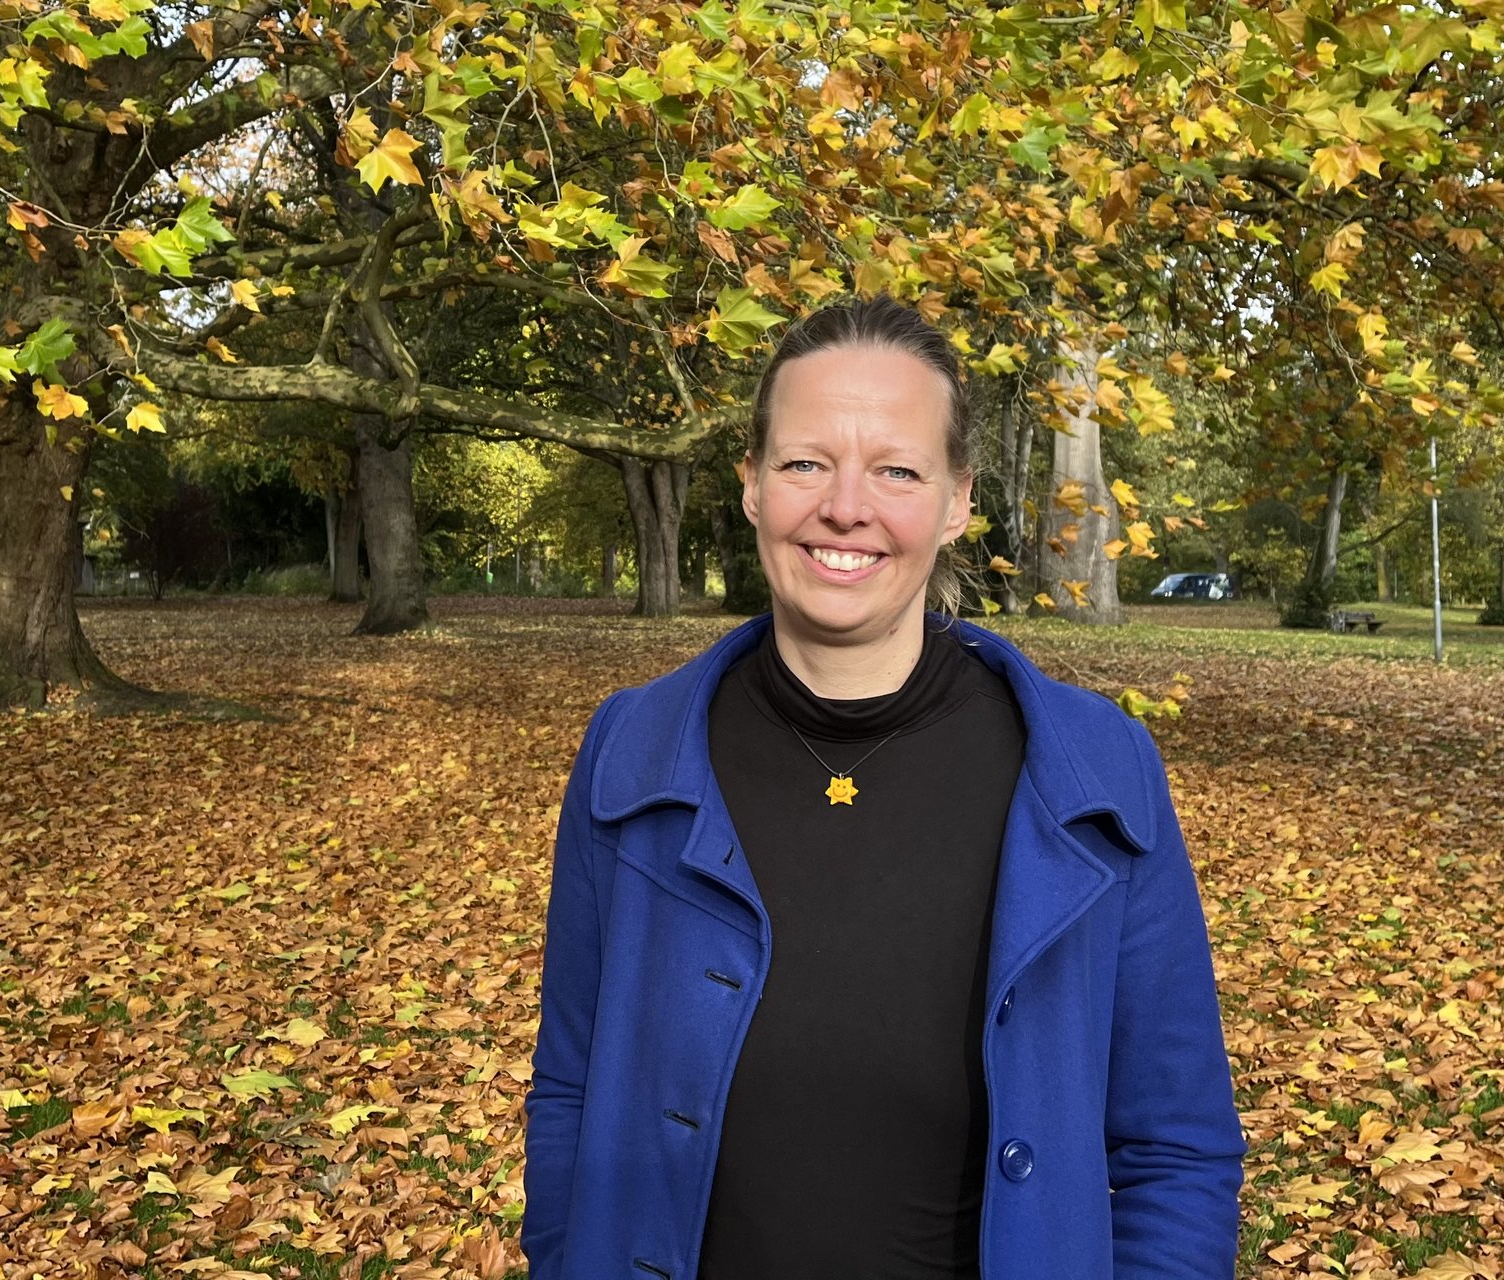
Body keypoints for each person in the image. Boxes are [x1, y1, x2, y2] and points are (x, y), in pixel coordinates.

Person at [522, 297, 1244, 1280]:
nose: (846, 507)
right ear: (751, 484)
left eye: (897, 470)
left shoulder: (1095, 771)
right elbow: (572, 1089)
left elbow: (1177, 1148)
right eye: (805, 463)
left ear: (957, 500)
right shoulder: (632, 753)